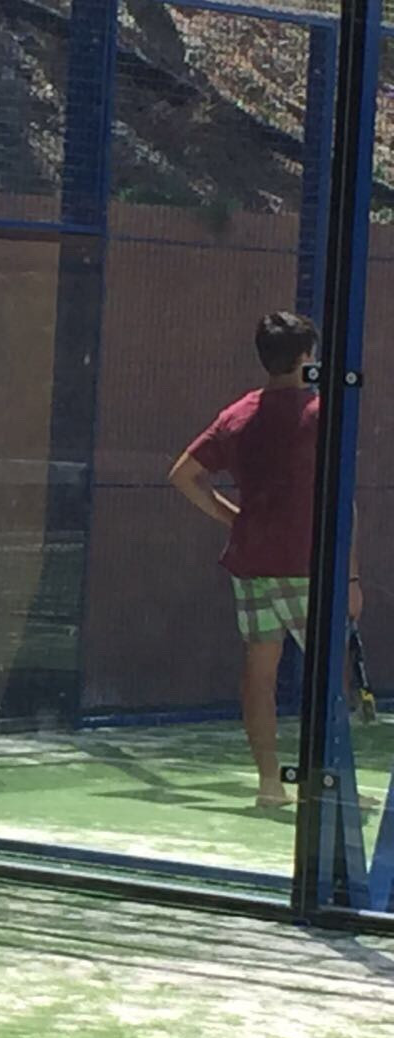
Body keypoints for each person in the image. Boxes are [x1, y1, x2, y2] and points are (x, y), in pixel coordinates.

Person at [169, 311, 364, 808]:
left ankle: (269, 784)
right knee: (332, 673)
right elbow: (342, 500)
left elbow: (184, 475)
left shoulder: (237, 415)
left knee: (259, 671)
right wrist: (352, 577)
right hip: (309, 564)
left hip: (252, 563)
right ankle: (330, 782)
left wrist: (234, 519)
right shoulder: (322, 414)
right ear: (306, 357)